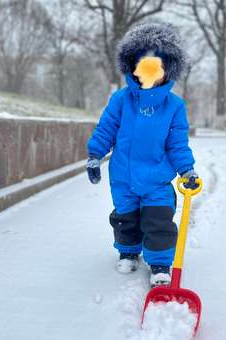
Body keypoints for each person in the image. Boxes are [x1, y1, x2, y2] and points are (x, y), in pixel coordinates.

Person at [86, 22, 199, 287]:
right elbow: (107, 128)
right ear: (133, 66)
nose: (148, 74)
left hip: (157, 177)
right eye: (143, 66)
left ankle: (159, 262)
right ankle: (128, 251)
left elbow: (177, 143)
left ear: (167, 69)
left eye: (155, 68)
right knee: (125, 218)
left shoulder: (174, 106)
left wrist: (187, 170)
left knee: (158, 218)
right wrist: (95, 154)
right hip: (123, 175)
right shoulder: (121, 100)